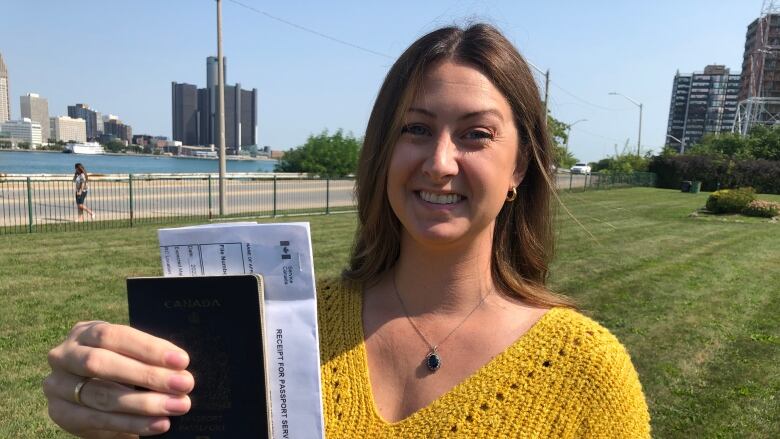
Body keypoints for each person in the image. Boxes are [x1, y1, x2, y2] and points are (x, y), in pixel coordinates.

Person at [44, 24, 650, 437]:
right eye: (416, 129)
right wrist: (112, 409)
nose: (440, 161)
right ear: (384, 150)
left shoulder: (587, 375)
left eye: (476, 133)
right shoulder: (276, 326)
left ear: (520, 164)